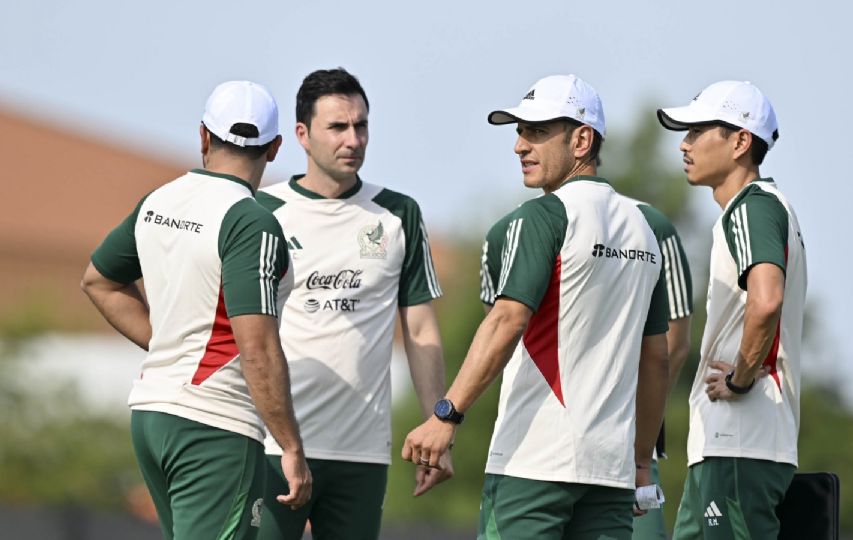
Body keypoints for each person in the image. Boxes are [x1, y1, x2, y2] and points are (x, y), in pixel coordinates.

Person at [403, 74, 670, 539]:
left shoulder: (542, 216)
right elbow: (658, 358)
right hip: (610, 474)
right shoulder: (645, 227)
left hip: (534, 463)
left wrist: (446, 414)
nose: (519, 146)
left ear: (582, 140)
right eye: (519, 131)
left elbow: (507, 319)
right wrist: (641, 461)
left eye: (538, 131)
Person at [80, 80, 312, 540]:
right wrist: (290, 446)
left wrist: (166, 341)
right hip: (213, 423)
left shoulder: (158, 201)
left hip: (151, 414)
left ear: (203, 136)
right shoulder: (251, 220)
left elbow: (99, 281)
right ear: (275, 148)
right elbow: (258, 348)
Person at [254, 68, 449, 540]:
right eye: (338, 127)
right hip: (275, 447)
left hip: (363, 452)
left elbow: (421, 331)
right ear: (301, 134)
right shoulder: (262, 210)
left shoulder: (399, 212)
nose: (353, 139)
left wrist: (437, 429)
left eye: (361, 126)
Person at [656, 80, 808, 539]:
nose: (684, 144)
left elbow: (766, 300)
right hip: (736, 445)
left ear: (741, 141)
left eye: (699, 131)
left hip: (739, 441)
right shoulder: (759, 208)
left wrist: (741, 378)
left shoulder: (751, 207)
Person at [630, 201, 694, 540]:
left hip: (631, 448)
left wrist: (640, 434)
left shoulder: (652, 224)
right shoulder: (510, 229)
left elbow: (675, 343)